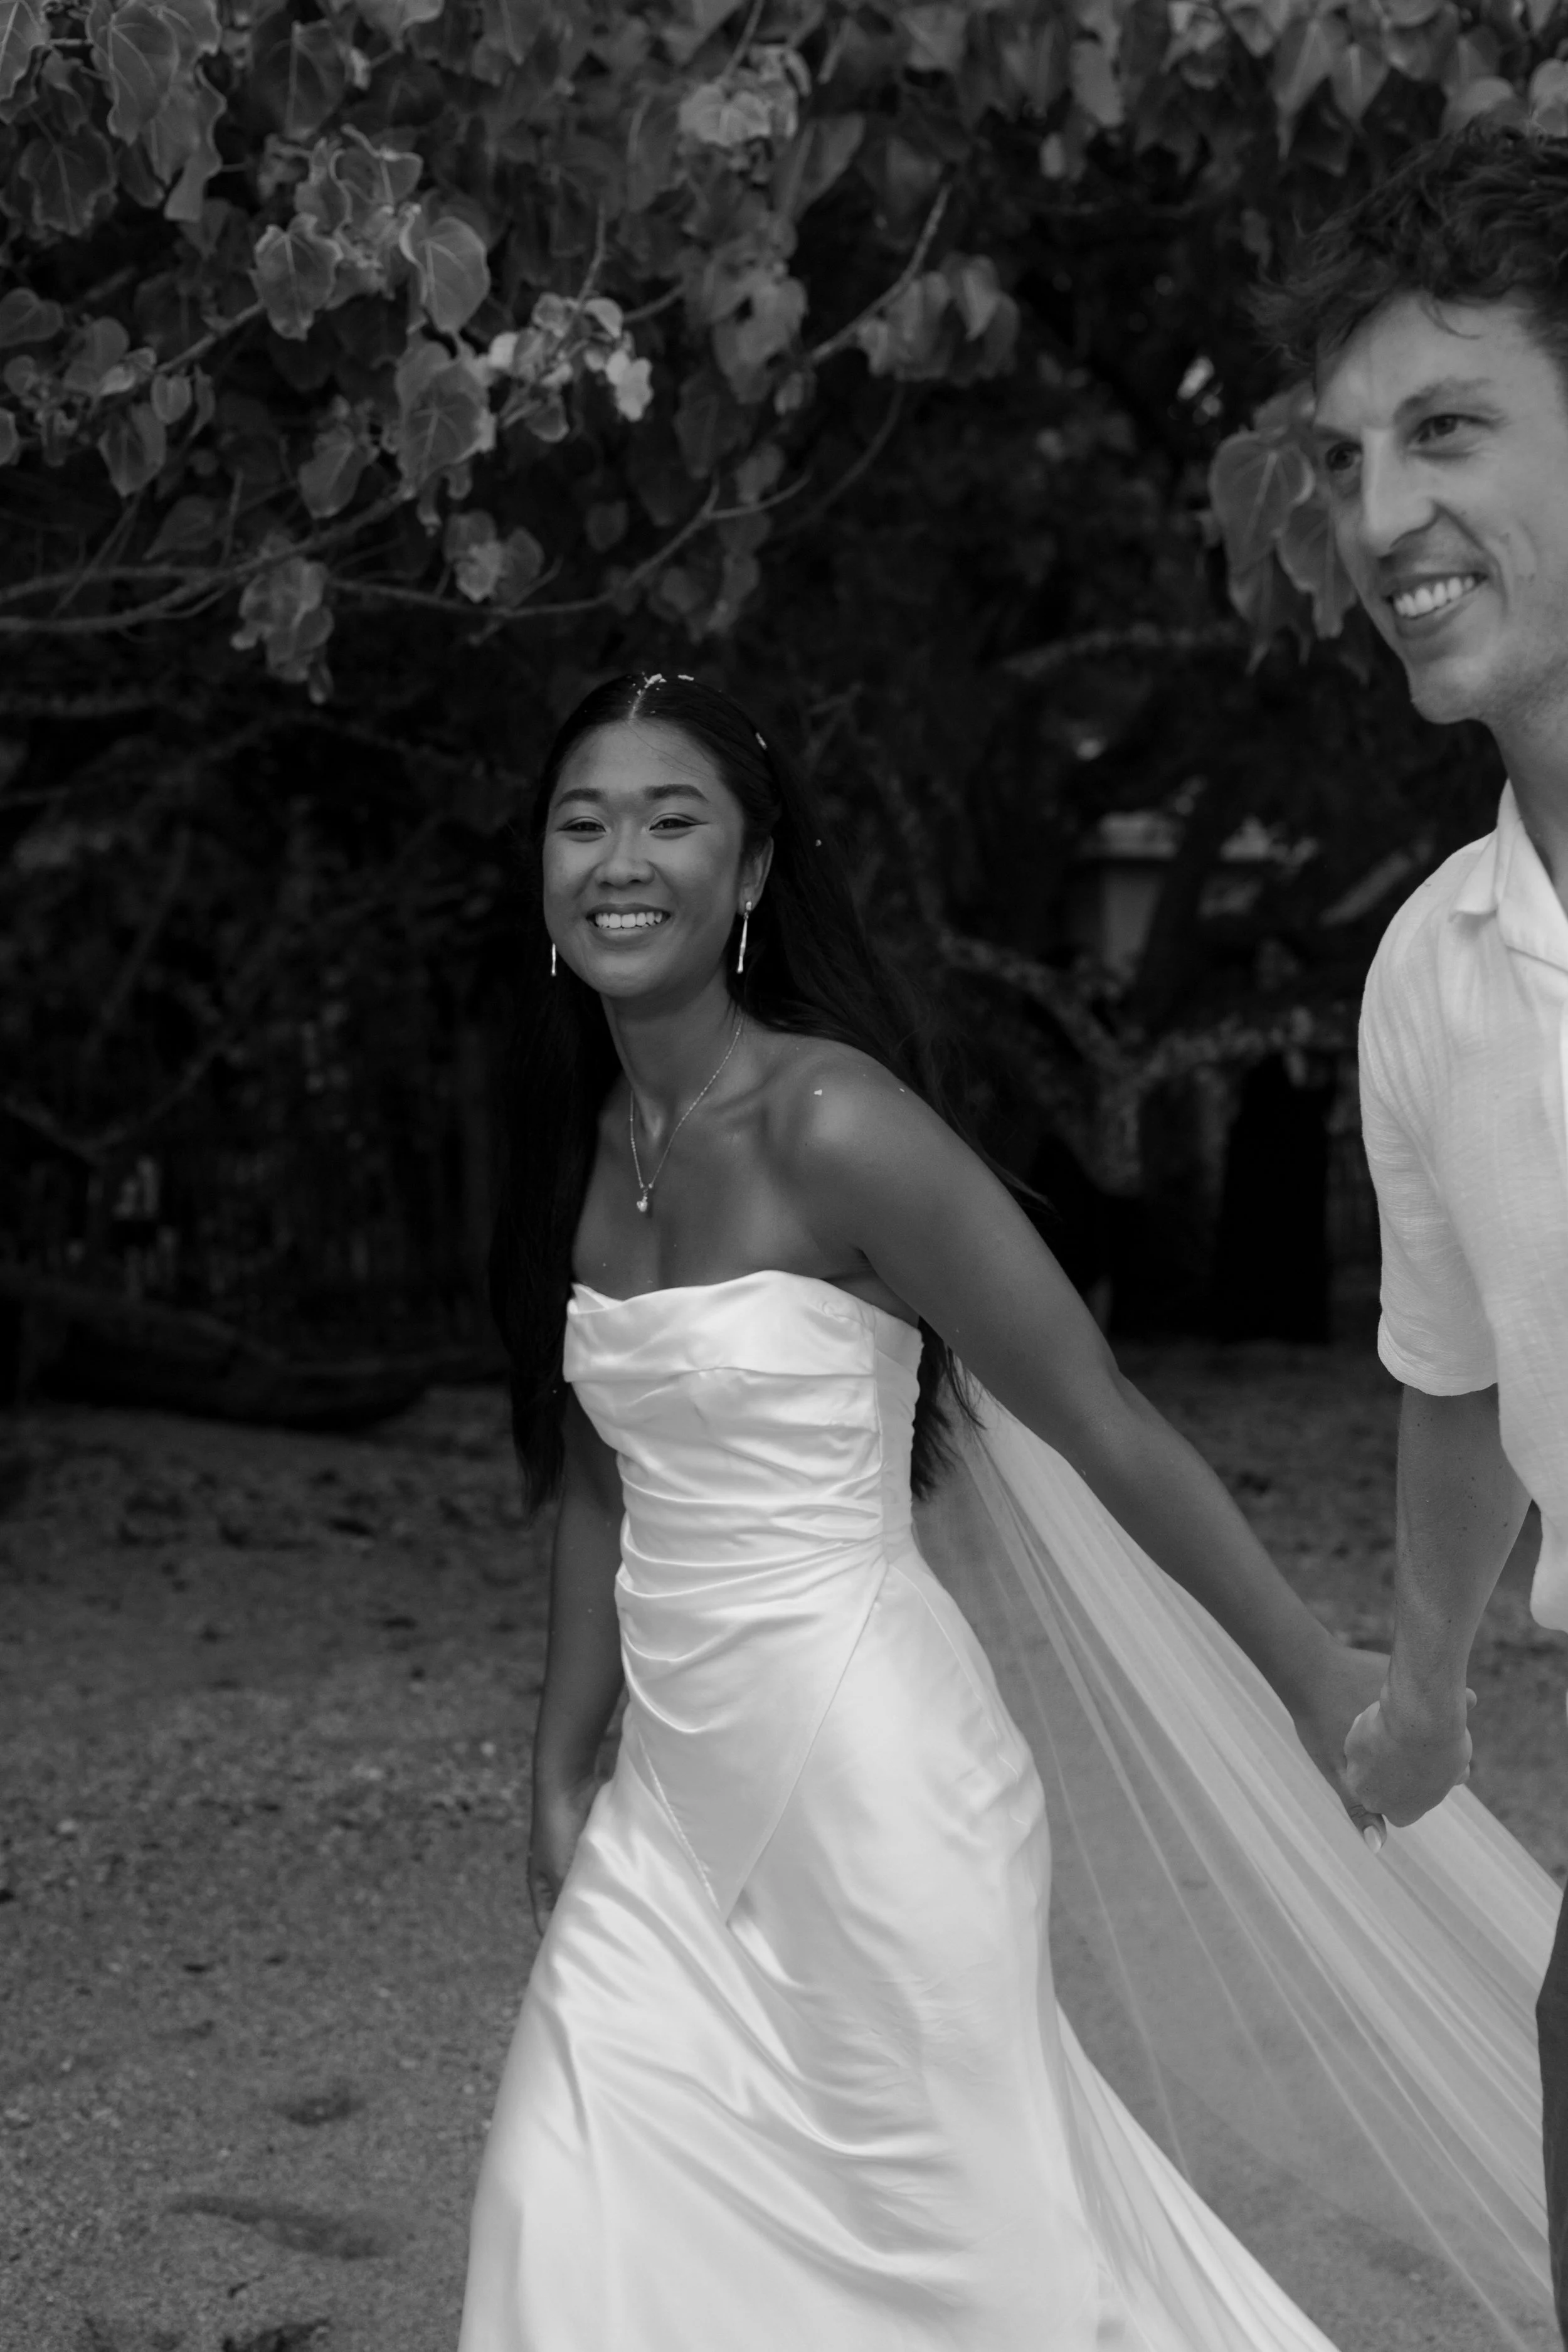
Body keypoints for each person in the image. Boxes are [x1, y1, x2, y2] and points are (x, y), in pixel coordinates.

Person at [459, 668, 1554, 2351]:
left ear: (752, 871)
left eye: (671, 819)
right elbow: (610, 1475)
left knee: (965, 2273)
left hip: (878, 1793)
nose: (620, 859)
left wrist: (1310, 1673)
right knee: (570, 2207)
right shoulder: (583, 1140)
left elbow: (1098, 1414)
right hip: (666, 1817)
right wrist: (558, 1765)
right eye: (580, 821)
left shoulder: (836, 1123)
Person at [1258, 122, 1568, 2337]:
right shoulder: (1428, 970)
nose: (1379, 522)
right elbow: (1455, 1382)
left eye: (1445, 430)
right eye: (1346, 458)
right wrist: (1430, 1687)